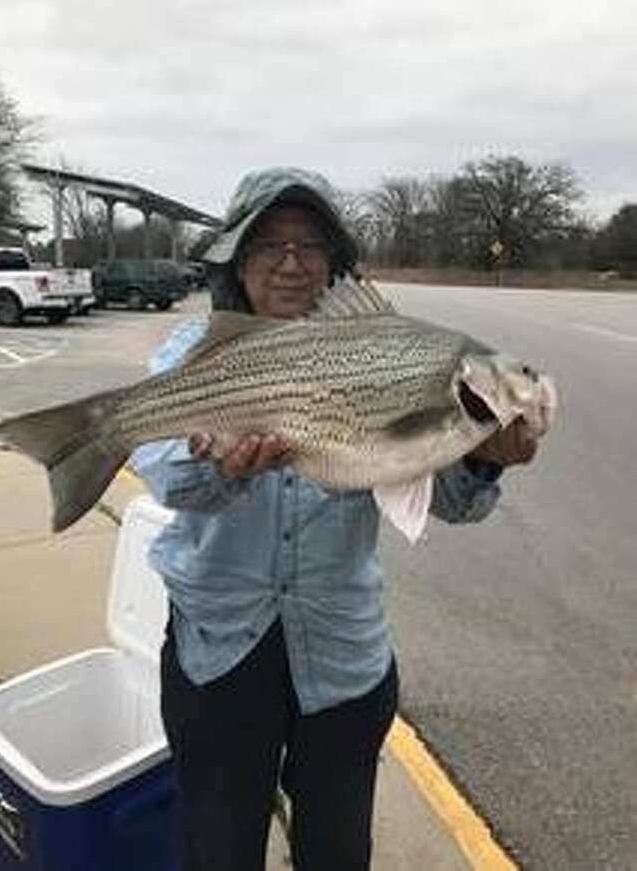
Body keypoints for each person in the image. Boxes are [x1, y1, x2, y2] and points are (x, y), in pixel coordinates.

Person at [131, 167, 538, 871]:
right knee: (218, 846)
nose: (291, 263)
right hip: (219, 650)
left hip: (342, 655)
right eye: (269, 245)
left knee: (337, 850)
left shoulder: (391, 350)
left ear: (334, 260)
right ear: (235, 257)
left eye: (310, 246)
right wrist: (217, 467)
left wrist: (484, 458)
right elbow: (166, 472)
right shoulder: (197, 348)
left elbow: (448, 501)